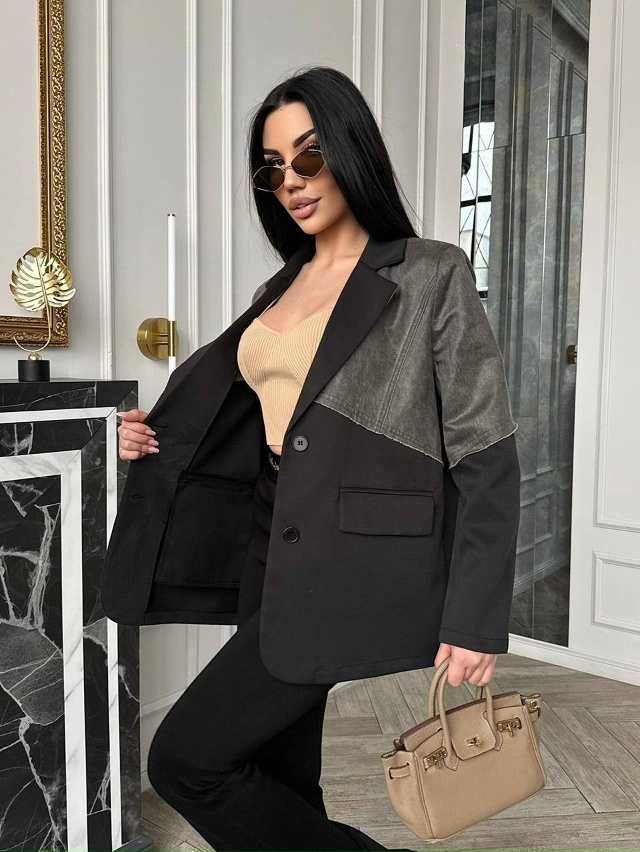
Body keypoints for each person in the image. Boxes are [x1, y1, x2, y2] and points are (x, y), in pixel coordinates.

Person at [113, 66, 520, 852]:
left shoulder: (429, 272)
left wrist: (477, 621)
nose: (291, 181)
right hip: (269, 544)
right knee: (280, 773)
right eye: (273, 168)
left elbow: (487, 453)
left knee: (186, 762)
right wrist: (149, 438)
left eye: (308, 155)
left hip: (353, 560)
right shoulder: (280, 286)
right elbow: (250, 414)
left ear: (350, 149)